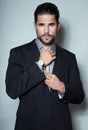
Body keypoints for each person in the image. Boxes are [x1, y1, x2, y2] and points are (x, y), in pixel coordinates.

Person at [5, 2, 84, 130]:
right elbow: (12, 90)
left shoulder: (69, 58)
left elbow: (79, 96)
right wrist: (40, 64)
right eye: (41, 25)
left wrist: (62, 87)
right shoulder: (18, 53)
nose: (46, 31)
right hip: (29, 125)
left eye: (51, 24)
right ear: (35, 26)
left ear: (58, 26)